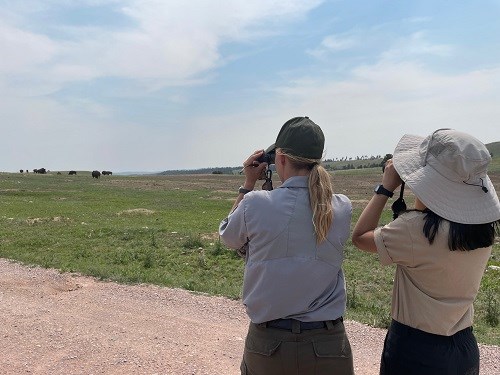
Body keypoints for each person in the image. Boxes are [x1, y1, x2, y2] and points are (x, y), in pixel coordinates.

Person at [351, 128, 500, 375]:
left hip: (416, 349)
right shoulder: (482, 229)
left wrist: (386, 188)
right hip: (464, 346)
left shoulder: (415, 230)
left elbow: (359, 237)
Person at [219, 116, 354, 375]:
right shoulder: (341, 207)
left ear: (279, 158)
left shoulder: (256, 203)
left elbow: (228, 237)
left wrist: (247, 184)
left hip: (269, 343)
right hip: (327, 343)